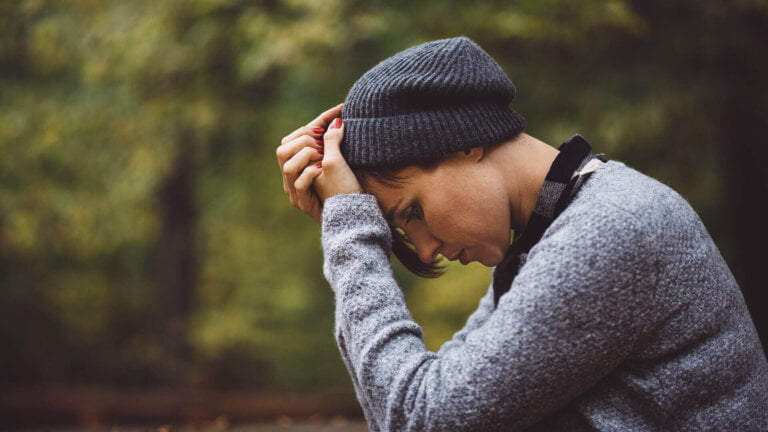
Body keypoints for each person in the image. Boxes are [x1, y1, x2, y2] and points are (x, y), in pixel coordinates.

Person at [276, 37, 768, 431]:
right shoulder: (558, 231)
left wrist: (350, 232)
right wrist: (345, 224)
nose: (426, 248)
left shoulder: (607, 232)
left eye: (414, 211)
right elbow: (405, 408)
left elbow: (421, 418)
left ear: (465, 144)